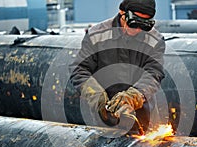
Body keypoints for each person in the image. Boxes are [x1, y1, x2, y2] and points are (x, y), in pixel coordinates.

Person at [70, 0, 165, 133]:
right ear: (122, 13)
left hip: (143, 114)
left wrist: (134, 96)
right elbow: (79, 70)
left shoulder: (155, 40)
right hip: (105, 115)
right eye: (134, 23)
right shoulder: (96, 34)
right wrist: (97, 96)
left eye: (144, 25)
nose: (138, 30)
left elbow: (154, 72)